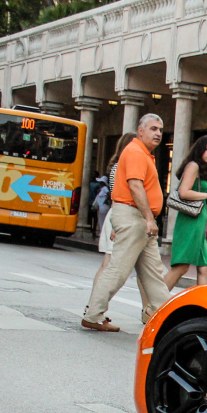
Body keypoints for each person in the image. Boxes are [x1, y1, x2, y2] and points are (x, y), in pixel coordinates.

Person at [81, 114, 172, 332]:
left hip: (139, 218)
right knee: (118, 269)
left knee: (153, 272)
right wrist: (149, 218)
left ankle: (167, 316)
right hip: (134, 216)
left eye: (160, 129)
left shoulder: (143, 153)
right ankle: (93, 314)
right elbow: (135, 186)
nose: (158, 133)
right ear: (140, 131)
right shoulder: (135, 152)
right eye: (153, 128)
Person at [163, 136, 207, 291]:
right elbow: (184, 193)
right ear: (199, 149)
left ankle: (203, 308)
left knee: (205, 267)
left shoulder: (202, 169)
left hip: (198, 223)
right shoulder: (193, 166)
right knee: (181, 267)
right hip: (190, 222)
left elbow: (195, 189)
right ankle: (154, 304)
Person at [88, 133, 137, 293]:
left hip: (125, 217)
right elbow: (117, 196)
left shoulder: (126, 166)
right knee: (108, 264)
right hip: (118, 215)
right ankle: (94, 304)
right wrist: (116, 225)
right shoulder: (119, 167)